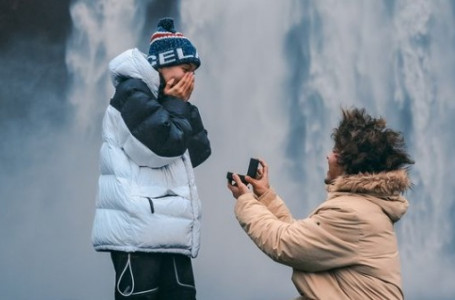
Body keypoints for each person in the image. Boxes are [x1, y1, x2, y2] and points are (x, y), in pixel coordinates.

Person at [228, 108, 414, 300]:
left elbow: (284, 243)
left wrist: (246, 200)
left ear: (350, 162)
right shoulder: (363, 207)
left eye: (335, 151)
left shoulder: (352, 213)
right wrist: (265, 196)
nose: (328, 156)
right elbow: (304, 241)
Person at [91, 18, 211, 300]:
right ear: (162, 63)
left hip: (170, 235)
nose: (190, 77)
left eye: (193, 71)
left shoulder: (165, 102)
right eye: (186, 68)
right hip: (138, 237)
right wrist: (175, 105)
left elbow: (198, 151)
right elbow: (163, 147)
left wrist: (180, 105)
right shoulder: (131, 94)